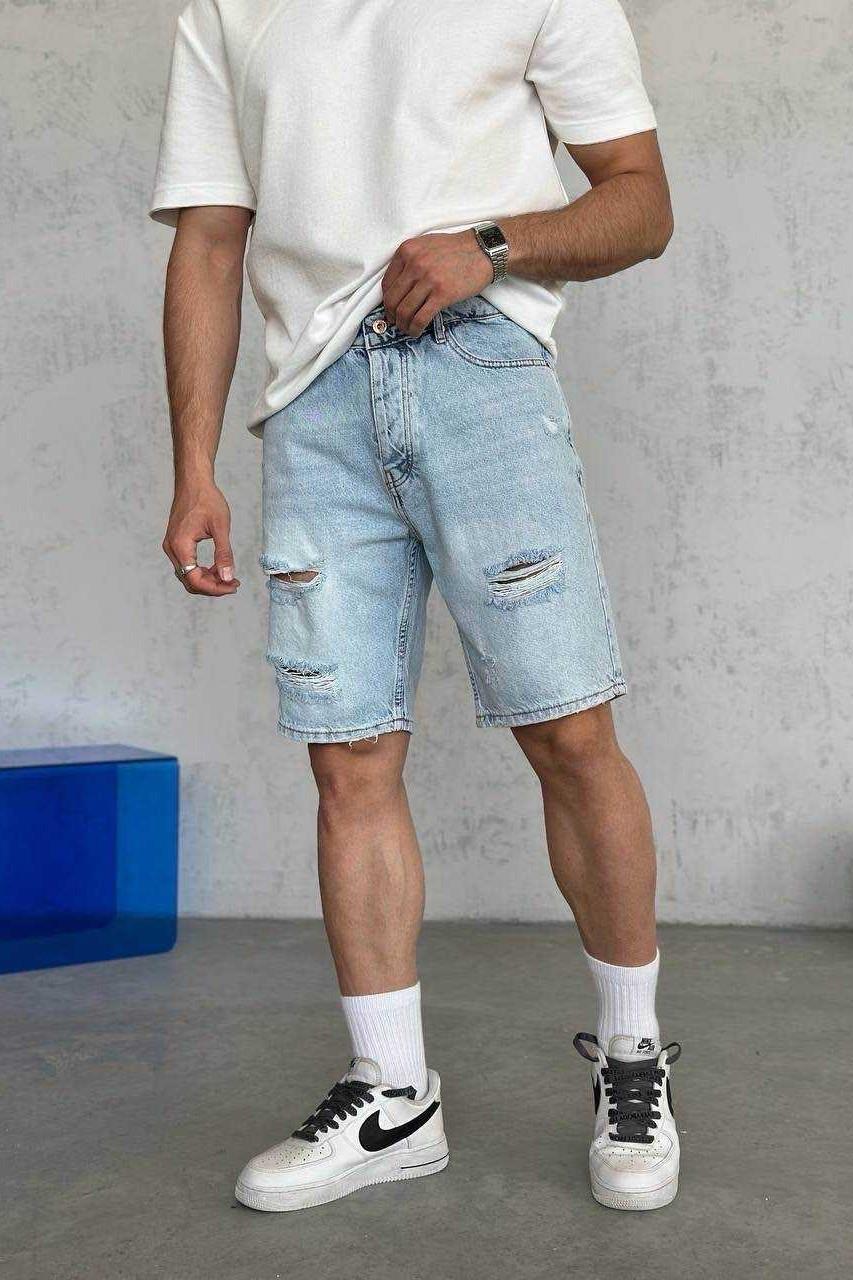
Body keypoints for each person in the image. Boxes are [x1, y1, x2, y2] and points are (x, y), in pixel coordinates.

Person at [151, 0, 679, 1214]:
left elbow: (642, 201)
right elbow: (211, 241)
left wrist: (491, 242)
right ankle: (393, 1097)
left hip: (481, 372)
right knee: (347, 753)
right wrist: (193, 468)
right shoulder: (226, 9)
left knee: (569, 728)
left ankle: (633, 1056)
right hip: (313, 406)